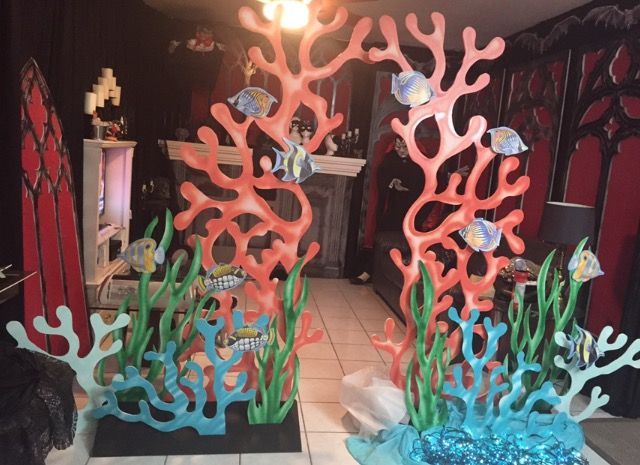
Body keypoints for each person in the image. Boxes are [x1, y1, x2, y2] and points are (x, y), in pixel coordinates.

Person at [350, 136, 468, 285]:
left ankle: (403, 275)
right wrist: (392, 182)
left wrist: (450, 176)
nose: (400, 150)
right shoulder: (390, 160)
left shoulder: (419, 162)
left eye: (404, 147)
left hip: (414, 210)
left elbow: (432, 176)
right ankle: (369, 272)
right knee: (382, 239)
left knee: (408, 242)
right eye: (398, 147)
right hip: (393, 209)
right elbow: (383, 176)